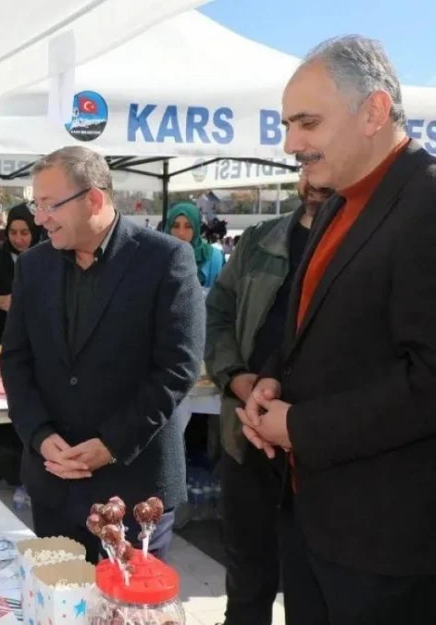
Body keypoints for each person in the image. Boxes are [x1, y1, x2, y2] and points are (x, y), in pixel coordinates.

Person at [238, 36, 436, 624]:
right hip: (312, 522)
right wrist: (271, 382)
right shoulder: (335, 205)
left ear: (374, 111)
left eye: (307, 123)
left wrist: (301, 425)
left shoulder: (427, 204)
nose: (291, 143)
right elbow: (316, 331)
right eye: (287, 124)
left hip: (388, 548)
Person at [0, 146, 204, 563]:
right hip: (53, 483)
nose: (39, 218)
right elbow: (15, 360)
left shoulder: (165, 259)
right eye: (36, 205)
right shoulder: (33, 267)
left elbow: (177, 369)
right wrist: (38, 435)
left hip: (132, 489)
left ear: (94, 198)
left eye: (49, 204)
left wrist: (112, 443)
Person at [204, 171, 330, 625]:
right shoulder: (261, 240)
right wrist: (238, 379)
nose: (315, 177)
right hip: (248, 439)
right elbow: (216, 315)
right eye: (305, 164)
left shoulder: (365, 245)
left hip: (323, 448)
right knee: (247, 581)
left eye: (323, 160)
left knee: (312, 590)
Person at [0, 204, 37, 349]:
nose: (18, 239)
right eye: (13, 232)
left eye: (24, 233)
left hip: (39, 343)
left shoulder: (51, 259)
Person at [164, 202, 225, 288]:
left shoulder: (214, 257)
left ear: (196, 228)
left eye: (188, 226)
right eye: (175, 226)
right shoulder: (158, 257)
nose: (181, 233)